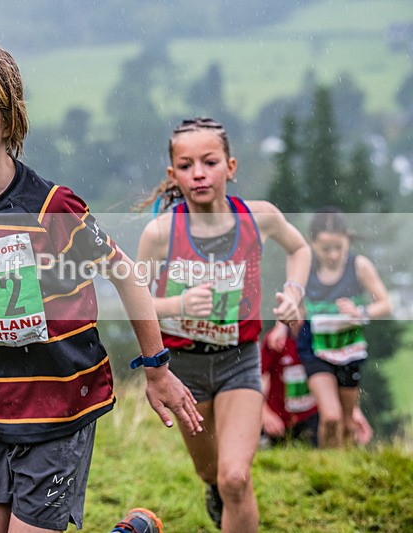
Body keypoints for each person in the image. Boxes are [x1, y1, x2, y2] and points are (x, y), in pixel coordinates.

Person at [0, 40, 202, 533]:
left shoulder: (52, 207)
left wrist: (156, 367)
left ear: (8, 121)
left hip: (59, 413)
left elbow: (125, 274)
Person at [136, 117, 312, 533]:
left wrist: (294, 292)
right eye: (186, 165)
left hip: (239, 362)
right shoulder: (160, 233)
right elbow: (136, 302)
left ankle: (230, 495)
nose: (198, 173)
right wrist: (178, 304)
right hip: (184, 369)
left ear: (230, 167)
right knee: (210, 472)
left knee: (235, 478)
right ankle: (216, 491)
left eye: (210, 162)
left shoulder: (259, 217)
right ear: (173, 175)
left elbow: (299, 248)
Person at [296, 207, 391, 449]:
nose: (333, 255)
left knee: (348, 422)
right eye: (326, 248)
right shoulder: (304, 268)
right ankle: (327, 466)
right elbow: (294, 304)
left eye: (339, 247)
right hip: (314, 349)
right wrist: (282, 325)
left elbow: (385, 304)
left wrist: (361, 313)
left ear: (347, 239)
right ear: (312, 243)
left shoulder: (359, 266)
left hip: (349, 349)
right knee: (331, 416)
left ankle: (344, 464)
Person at [260, 321, 373, 448]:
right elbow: (257, 379)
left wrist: (354, 411)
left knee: (334, 425)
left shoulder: (321, 342)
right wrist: (265, 414)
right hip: (279, 420)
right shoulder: (275, 341)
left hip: (313, 418)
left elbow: (339, 378)